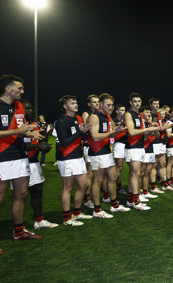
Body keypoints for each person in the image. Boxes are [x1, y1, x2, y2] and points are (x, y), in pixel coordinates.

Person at [0, 75, 43, 255]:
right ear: (8, 89)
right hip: (1, 156)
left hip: (20, 155)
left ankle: (19, 231)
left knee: (21, 194)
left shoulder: (20, 106)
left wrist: (30, 134)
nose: (22, 91)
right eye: (20, 88)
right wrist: (17, 130)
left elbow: (19, 130)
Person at [87, 93, 130, 217]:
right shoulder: (94, 117)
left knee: (113, 177)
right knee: (98, 180)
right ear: (100, 104)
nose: (110, 107)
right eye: (108, 105)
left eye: (112, 105)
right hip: (97, 152)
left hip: (106, 151)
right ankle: (97, 210)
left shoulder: (105, 116)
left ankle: (114, 205)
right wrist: (112, 132)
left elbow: (108, 135)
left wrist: (116, 132)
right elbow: (95, 137)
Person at [55, 95, 94, 226]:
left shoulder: (78, 118)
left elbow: (82, 137)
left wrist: (85, 131)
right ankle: (67, 218)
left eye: (76, 102)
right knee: (68, 187)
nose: (76, 104)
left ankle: (76, 213)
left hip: (78, 156)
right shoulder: (61, 121)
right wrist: (80, 132)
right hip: (66, 157)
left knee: (83, 185)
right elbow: (64, 142)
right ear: (65, 106)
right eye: (72, 103)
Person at [22, 100, 58, 230]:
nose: (31, 111)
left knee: (37, 192)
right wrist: (38, 145)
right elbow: (21, 145)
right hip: (20, 163)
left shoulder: (35, 126)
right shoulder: (17, 125)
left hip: (34, 163)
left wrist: (44, 148)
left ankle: (39, 220)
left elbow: (35, 144)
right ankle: (19, 228)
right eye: (27, 109)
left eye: (32, 109)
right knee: (20, 196)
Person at [124, 92, 158, 210]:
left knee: (134, 174)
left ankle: (130, 200)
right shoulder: (128, 114)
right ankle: (136, 202)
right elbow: (132, 132)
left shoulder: (139, 115)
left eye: (139, 101)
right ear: (130, 103)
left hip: (139, 147)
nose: (137, 103)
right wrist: (147, 128)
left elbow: (142, 137)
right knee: (135, 174)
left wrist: (150, 131)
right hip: (132, 147)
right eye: (135, 101)